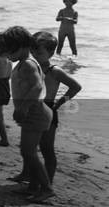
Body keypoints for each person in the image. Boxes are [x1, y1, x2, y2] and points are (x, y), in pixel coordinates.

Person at [18, 31, 82, 189]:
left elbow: (75, 87)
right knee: (30, 149)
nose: (34, 55)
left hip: (48, 110)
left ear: (51, 53)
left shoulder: (54, 71)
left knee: (47, 149)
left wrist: (59, 103)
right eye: (32, 52)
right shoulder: (30, 67)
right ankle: (32, 183)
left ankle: (48, 184)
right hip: (31, 110)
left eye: (39, 53)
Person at [2, 26, 54, 203]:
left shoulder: (28, 64)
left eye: (10, 50)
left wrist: (22, 107)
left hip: (36, 113)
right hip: (31, 113)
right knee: (26, 151)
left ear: (23, 47)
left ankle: (46, 188)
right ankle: (32, 186)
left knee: (29, 152)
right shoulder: (23, 63)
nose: (7, 54)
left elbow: (37, 86)